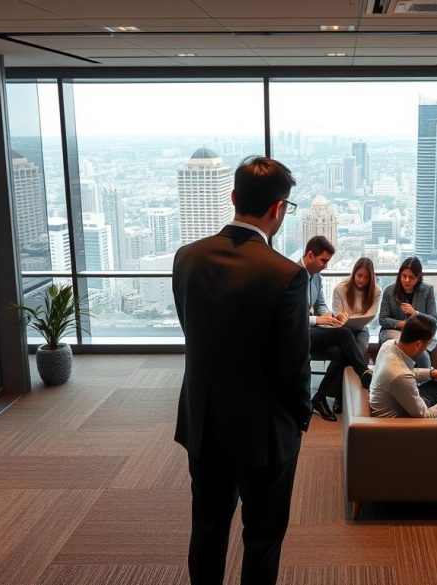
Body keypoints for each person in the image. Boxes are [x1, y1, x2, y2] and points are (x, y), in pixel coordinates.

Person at [172, 156, 311, 585]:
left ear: (233, 197)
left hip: (205, 420)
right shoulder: (288, 275)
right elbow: (293, 366)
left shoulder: (186, 258)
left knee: (208, 528)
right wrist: (301, 417)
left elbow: (191, 328)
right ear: (278, 209)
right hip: (264, 431)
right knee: (263, 539)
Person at [301, 235, 370, 420]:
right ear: (310, 255)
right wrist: (317, 320)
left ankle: (320, 397)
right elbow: (291, 316)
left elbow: (321, 304)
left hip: (312, 331)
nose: (326, 265)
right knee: (345, 333)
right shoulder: (293, 276)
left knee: (342, 350)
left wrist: (332, 315)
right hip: (297, 333)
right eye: (323, 260)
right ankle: (363, 371)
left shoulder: (316, 277)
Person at [368, 314, 437, 419]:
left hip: (404, 404)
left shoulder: (388, 346)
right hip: (403, 424)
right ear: (417, 344)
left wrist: (433, 373)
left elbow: (407, 373)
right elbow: (426, 417)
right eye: (429, 343)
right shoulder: (400, 376)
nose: (428, 346)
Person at [378, 256, 437, 368]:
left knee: (422, 355)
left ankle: (424, 383)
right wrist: (401, 323)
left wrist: (415, 313)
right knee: (404, 348)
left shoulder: (427, 290)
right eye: (404, 276)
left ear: (418, 278)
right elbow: (382, 319)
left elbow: (434, 319)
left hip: (418, 332)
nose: (406, 280)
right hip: (393, 331)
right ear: (399, 275)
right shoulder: (389, 291)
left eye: (411, 277)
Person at [331, 256, 381, 360]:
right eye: (359, 275)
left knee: (360, 349)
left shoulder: (376, 291)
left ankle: (351, 375)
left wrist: (349, 318)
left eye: (366, 277)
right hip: (342, 330)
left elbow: (371, 315)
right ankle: (360, 374)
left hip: (361, 329)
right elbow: (338, 314)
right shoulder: (340, 289)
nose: (362, 280)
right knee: (343, 352)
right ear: (354, 273)